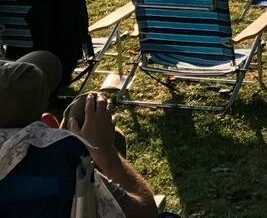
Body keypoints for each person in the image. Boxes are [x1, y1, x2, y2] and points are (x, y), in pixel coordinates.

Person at [0, 51, 160, 217]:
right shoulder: (65, 164)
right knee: (83, 110)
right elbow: (145, 211)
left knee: (39, 64)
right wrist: (104, 150)